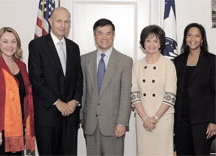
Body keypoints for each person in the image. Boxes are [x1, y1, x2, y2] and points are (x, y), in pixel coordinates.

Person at [28, 7, 83, 155]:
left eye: (67, 21)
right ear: (50, 21)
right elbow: (36, 79)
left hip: (70, 117)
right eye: (59, 21)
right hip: (47, 116)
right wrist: (58, 102)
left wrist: (74, 101)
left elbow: (79, 78)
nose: (63, 25)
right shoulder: (37, 46)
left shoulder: (74, 48)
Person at [81, 18, 132, 156]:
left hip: (114, 125)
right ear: (95, 35)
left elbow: (125, 95)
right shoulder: (84, 60)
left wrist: (122, 122)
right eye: (100, 33)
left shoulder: (125, 61)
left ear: (113, 35)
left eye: (108, 33)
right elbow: (83, 92)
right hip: (90, 124)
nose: (104, 37)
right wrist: (80, 118)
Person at [131, 25, 177, 156]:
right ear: (143, 43)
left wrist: (154, 119)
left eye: (155, 41)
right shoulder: (137, 66)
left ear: (161, 43)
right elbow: (134, 94)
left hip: (162, 120)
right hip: (142, 119)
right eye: (148, 40)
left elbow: (170, 96)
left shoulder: (168, 65)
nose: (152, 44)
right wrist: (146, 118)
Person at [0, 27, 35, 155]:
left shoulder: (22, 66)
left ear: (18, 44)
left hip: (19, 128)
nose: (9, 45)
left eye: (13, 41)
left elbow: (26, 96)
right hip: (1, 129)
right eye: (5, 41)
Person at [174, 23, 216, 155]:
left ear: (202, 39)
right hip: (181, 122)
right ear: (185, 38)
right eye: (189, 35)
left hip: (203, 122)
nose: (193, 39)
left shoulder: (212, 61)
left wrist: (214, 121)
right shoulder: (178, 61)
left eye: (197, 36)